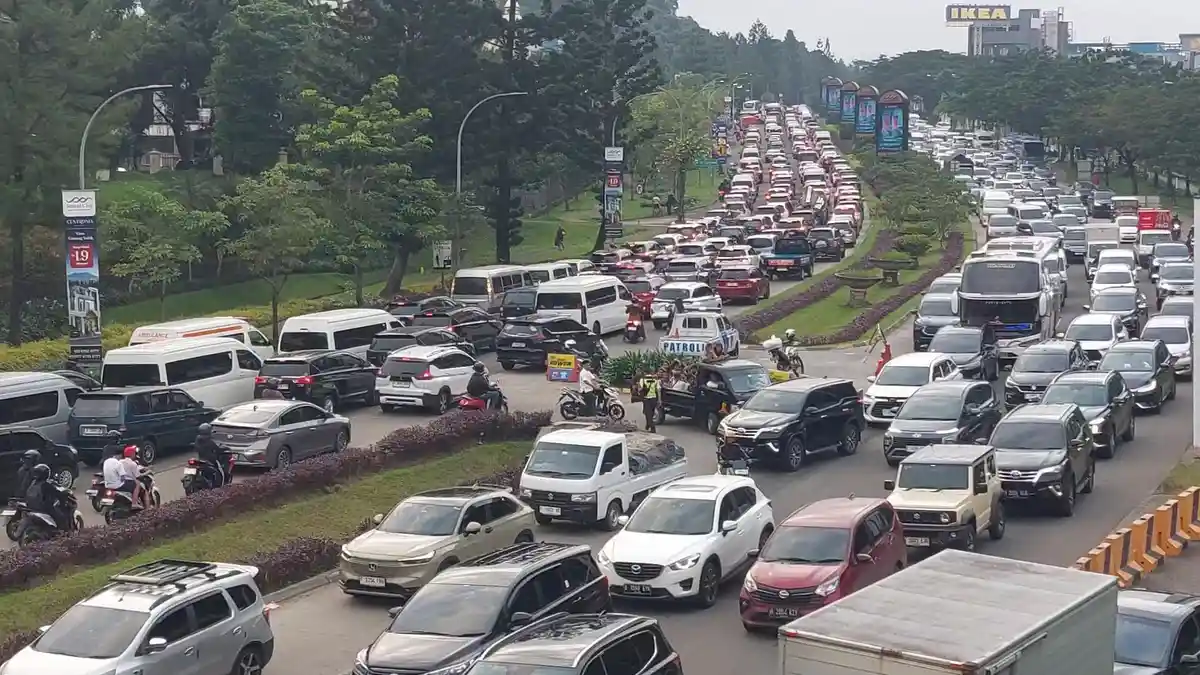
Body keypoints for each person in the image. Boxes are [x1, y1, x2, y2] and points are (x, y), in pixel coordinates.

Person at [24, 464, 71, 533]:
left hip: (30, 506)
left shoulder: (33, 483)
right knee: (61, 517)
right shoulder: (46, 485)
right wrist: (63, 495)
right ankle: (62, 533)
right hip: (43, 508)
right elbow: (57, 493)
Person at [102, 444, 141, 509]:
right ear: (119, 455)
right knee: (136, 484)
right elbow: (123, 477)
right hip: (117, 486)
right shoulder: (118, 463)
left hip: (107, 485)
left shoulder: (106, 461)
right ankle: (134, 503)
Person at [193, 423, 227, 489]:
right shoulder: (209, 440)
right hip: (211, 460)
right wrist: (225, 448)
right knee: (220, 471)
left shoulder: (197, 438)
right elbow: (217, 449)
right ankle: (220, 485)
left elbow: (196, 447)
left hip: (201, 458)